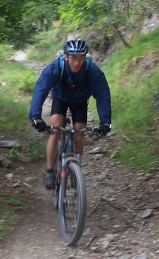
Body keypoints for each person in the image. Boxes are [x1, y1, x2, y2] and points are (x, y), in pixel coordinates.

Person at [28, 38, 112, 189]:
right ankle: (49, 171)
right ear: (66, 56)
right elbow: (40, 89)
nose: (77, 62)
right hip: (60, 98)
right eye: (73, 57)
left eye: (81, 57)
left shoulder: (92, 71)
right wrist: (35, 116)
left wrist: (105, 121)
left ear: (85, 57)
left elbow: (103, 96)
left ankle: (75, 169)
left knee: (79, 132)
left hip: (80, 101)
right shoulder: (55, 68)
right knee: (56, 128)